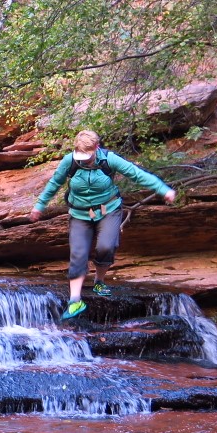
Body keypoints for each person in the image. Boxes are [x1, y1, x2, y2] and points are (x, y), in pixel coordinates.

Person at [28, 130, 177, 320]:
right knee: (78, 253)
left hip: (109, 210)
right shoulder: (70, 161)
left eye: (87, 156)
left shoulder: (109, 159)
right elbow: (54, 183)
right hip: (80, 213)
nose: (83, 160)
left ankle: (99, 280)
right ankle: (75, 300)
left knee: (106, 246)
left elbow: (137, 174)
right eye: (80, 155)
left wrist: (163, 189)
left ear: (96, 148)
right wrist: (39, 205)